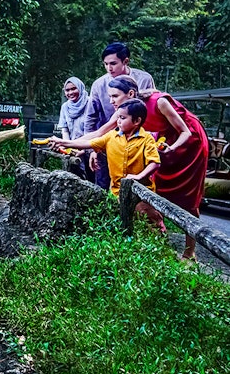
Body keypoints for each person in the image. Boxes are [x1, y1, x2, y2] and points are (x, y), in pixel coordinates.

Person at [83, 76, 208, 261]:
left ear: (130, 94)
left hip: (189, 144)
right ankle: (157, 243)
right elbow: (101, 133)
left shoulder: (159, 102)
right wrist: (73, 145)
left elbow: (185, 131)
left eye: (115, 96)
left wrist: (172, 149)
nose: (111, 101)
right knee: (154, 191)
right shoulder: (123, 111)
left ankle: (190, 252)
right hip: (162, 143)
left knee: (188, 199)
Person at [52, 98, 164, 232]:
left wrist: (139, 176)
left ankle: (162, 242)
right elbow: (89, 143)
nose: (118, 121)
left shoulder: (146, 139)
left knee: (151, 224)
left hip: (142, 194)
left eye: (122, 118)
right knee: (122, 224)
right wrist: (63, 142)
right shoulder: (111, 136)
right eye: (118, 117)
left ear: (137, 121)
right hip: (116, 192)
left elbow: (154, 163)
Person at [84, 42, 155, 189]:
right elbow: (91, 118)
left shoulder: (144, 79)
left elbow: (152, 108)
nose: (109, 68)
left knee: (139, 187)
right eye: (105, 64)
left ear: (125, 61)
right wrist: (93, 150)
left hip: (137, 145)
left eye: (113, 63)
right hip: (108, 144)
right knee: (104, 187)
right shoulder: (99, 85)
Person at [58, 76, 91, 179]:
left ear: (80, 88)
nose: (70, 92)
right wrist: (67, 146)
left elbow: (94, 129)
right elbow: (65, 130)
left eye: (73, 89)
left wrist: (84, 149)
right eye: (67, 90)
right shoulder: (65, 107)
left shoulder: (91, 103)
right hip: (73, 150)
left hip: (91, 148)